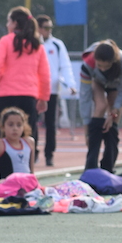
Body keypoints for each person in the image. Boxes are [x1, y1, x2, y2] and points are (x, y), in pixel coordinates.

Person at [0, 6, 50, 148]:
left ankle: (6, 156)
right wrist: (43, 98)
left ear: (15, 23)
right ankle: (28, 160)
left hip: (7, 94)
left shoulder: (6, 41)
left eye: (8, 21)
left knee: (0, 131)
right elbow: (45, 75)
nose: (7, 25)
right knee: (27, 133)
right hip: (29, 96)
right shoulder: (37, 46)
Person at [79, 39, 122, 172]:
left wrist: (113, 113)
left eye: (106, 67)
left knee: (112, 124)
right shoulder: (88, 64)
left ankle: (108, 166)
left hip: (115, 84)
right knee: (101, 106)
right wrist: (87, 131)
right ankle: (91, 166)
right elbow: (84, 98)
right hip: (98, 82)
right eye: (99, 65)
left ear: (113, 62)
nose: (102, 69)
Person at [36, 15, 76, 168]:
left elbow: (65, 66)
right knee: (32, 122)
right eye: (46, 28)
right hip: (34, 89)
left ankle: (49, 154)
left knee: (51, 124)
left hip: (51, 90)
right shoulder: (32, 43)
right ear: (38, 28)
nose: (49, 31)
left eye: (50, 28)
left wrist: (70, 84)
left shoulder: (57, 45)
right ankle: (33, 153)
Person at [0, 106, 36, 197]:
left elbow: (31, 172)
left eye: (19, 125)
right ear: (3, 127)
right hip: (8, 188)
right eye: (10, 125)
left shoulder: (30, 142)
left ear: (23, 127)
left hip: (27, 187)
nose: (15, 128)